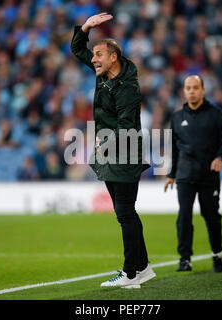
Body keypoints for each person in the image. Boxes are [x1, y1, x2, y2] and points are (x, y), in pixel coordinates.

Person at [71, 13, 154, 289]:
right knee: (127, 213)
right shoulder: (103, 73)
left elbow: (126, 125)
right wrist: (85, 27)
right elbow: (76, 48)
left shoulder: (128, 87)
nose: (92, 59)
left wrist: (103, 143)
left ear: (113, 57)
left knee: (125, 213)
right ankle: (142, 268)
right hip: (110, 151)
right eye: (93, 55)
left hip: (125, 151)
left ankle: (130, 274)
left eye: (98, 54)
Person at [164, 75, 222, 273]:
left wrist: (220, 156)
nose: (192, 91)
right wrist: (171, 174)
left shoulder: (215, 115)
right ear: (184, 91)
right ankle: (184, 259)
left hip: (208, 175)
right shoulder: (177, 117)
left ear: (203, 90)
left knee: (211, 216)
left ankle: (217, 254)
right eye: (188, 88)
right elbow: (175, 148)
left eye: (195, 87)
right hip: (185, 175)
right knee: (184, 216)